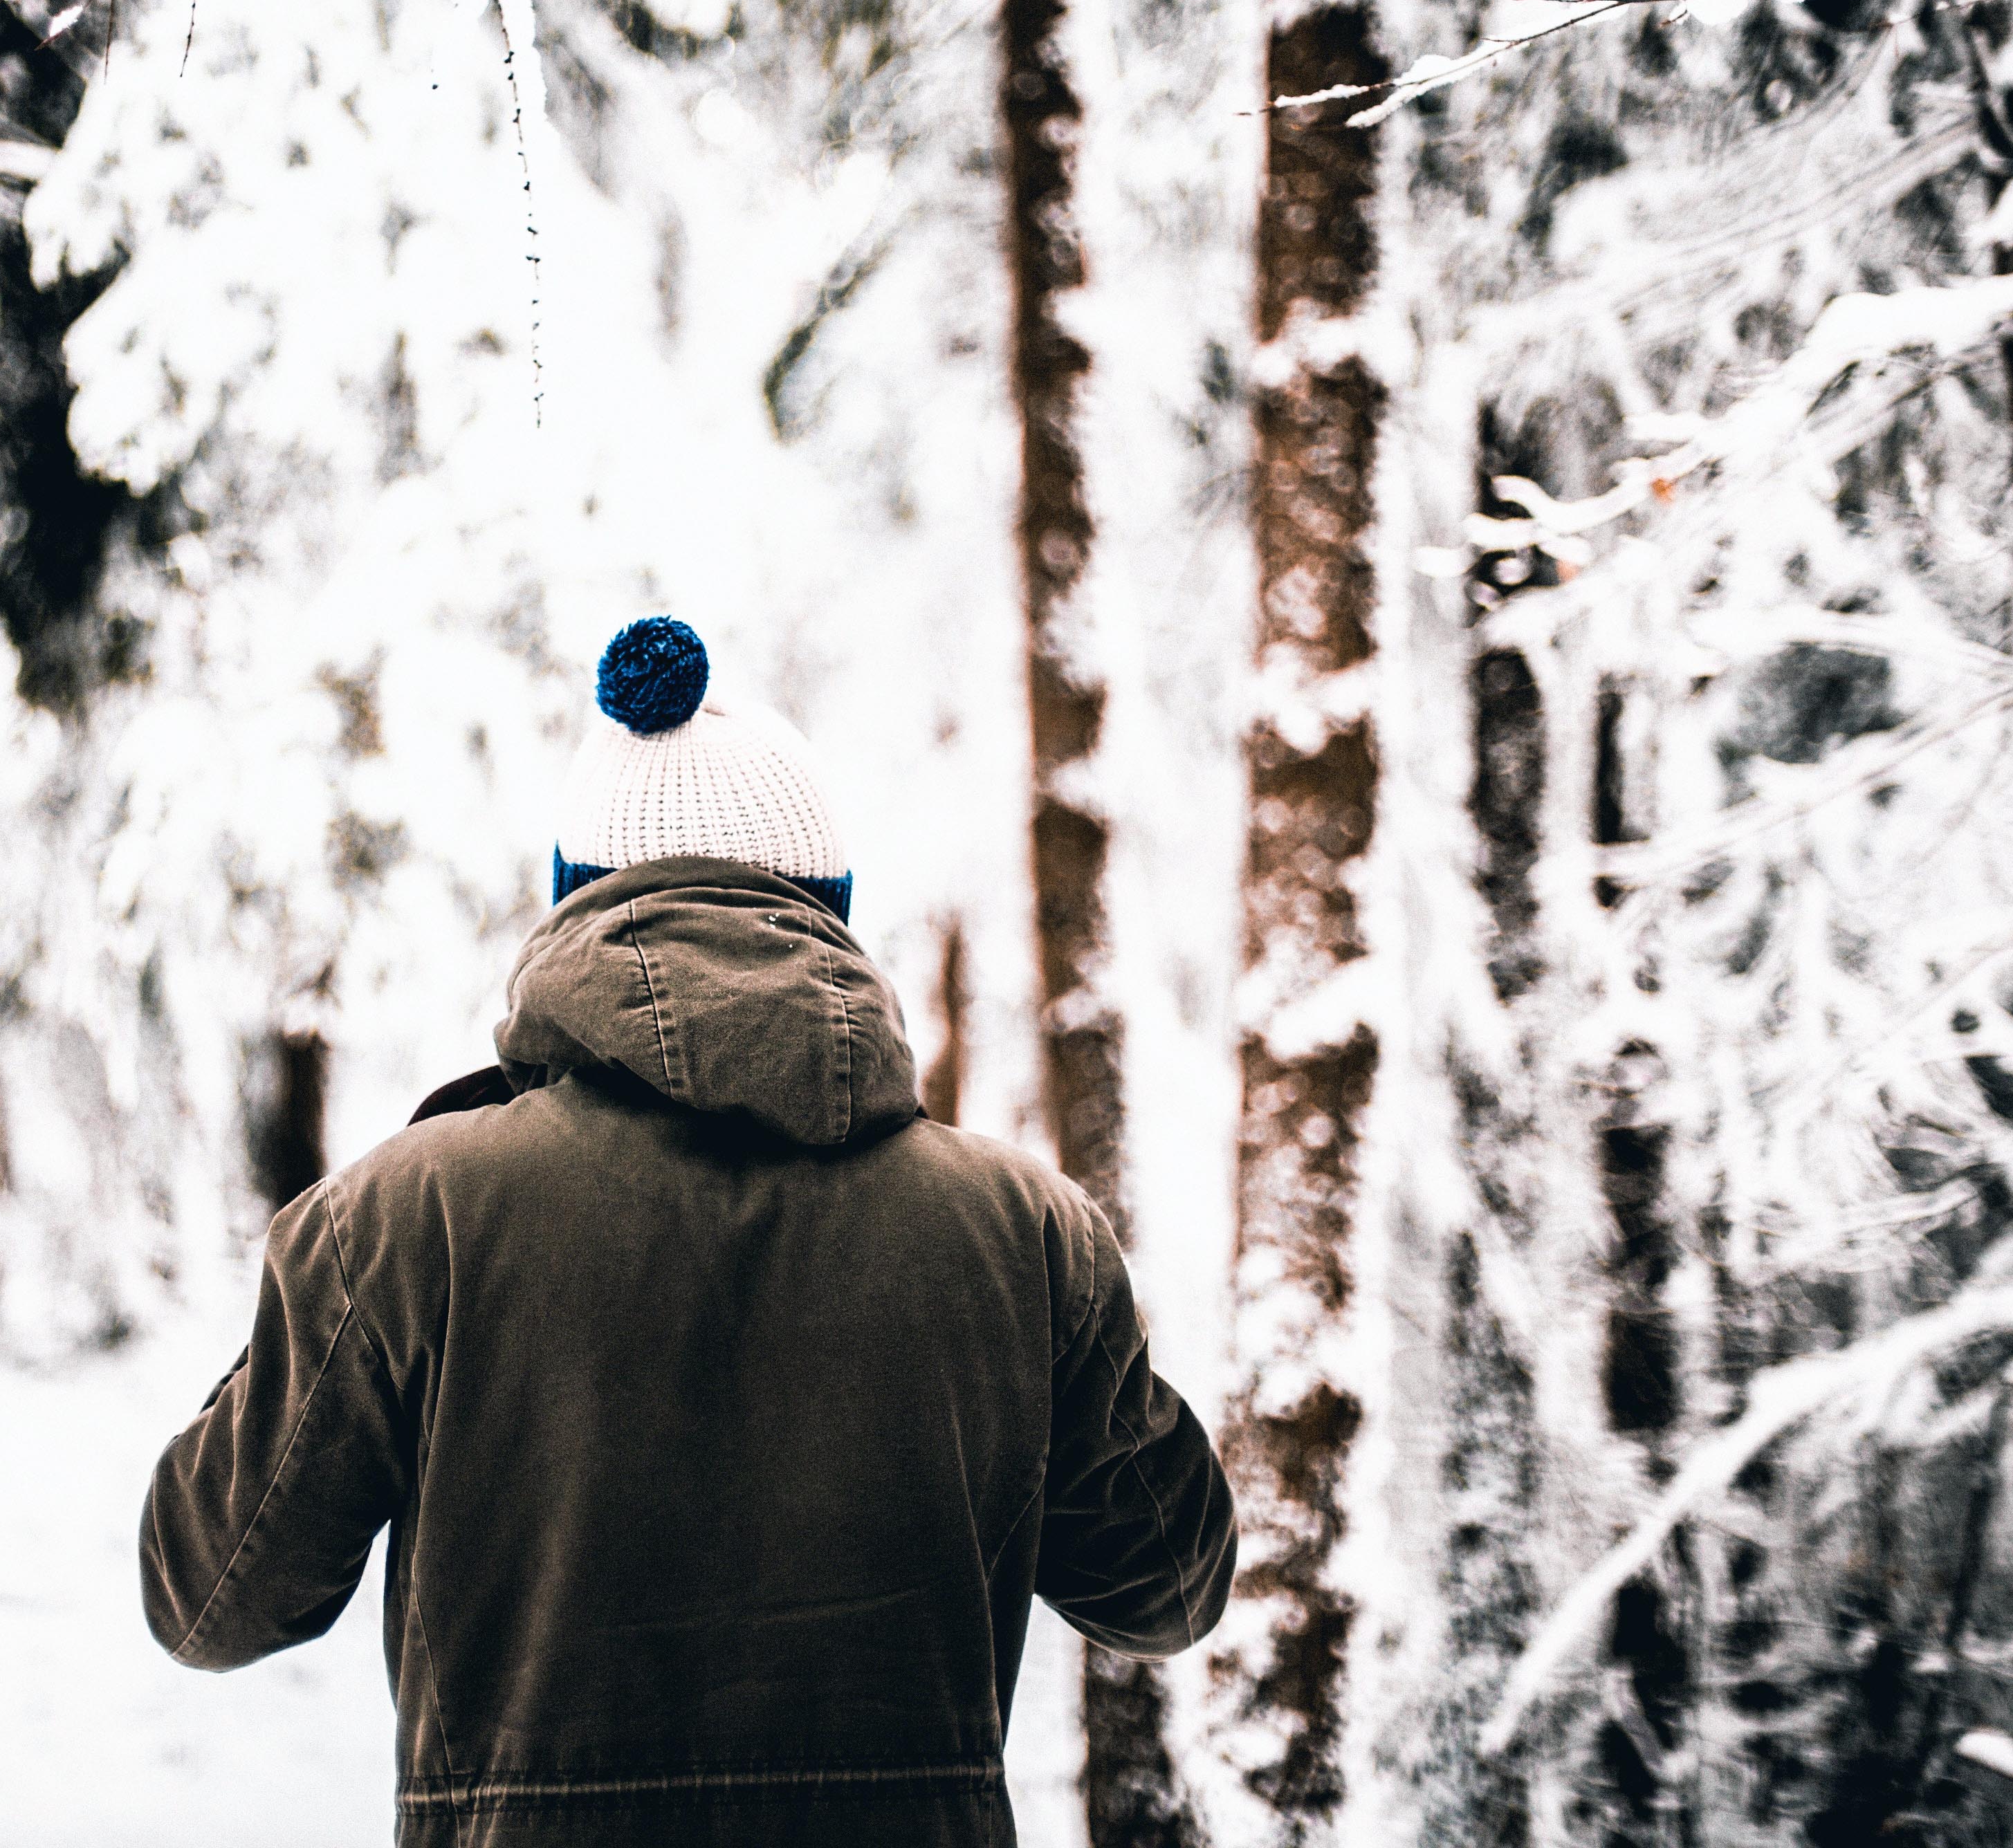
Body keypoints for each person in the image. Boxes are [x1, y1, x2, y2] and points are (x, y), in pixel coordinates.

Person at [140, 616, 1235, 1847]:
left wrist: (339, 1272)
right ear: (829, 915)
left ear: (573, 909)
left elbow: (209, 1598)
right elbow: (1171, 1584)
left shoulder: (408, 1213)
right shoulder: (1023, 1230)